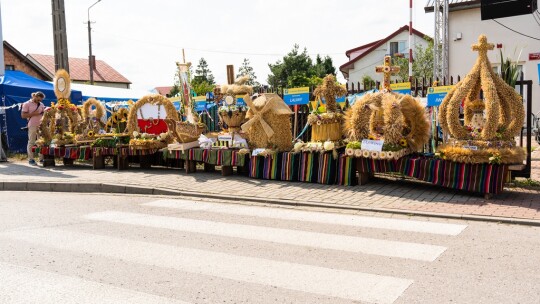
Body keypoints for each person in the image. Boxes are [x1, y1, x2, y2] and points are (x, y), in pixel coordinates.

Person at [21, 91, 45, 165]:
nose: (39, 101)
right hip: (32, 125)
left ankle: (41, 159)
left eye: (41, 100)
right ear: (34, 97)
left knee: (41, 142)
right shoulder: (27, 104)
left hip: (41, 125)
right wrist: (35, 114)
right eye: (38, 100)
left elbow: (43, 113)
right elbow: (23, 115)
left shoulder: (41, 104)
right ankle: (31, 159)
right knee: (31, 142)